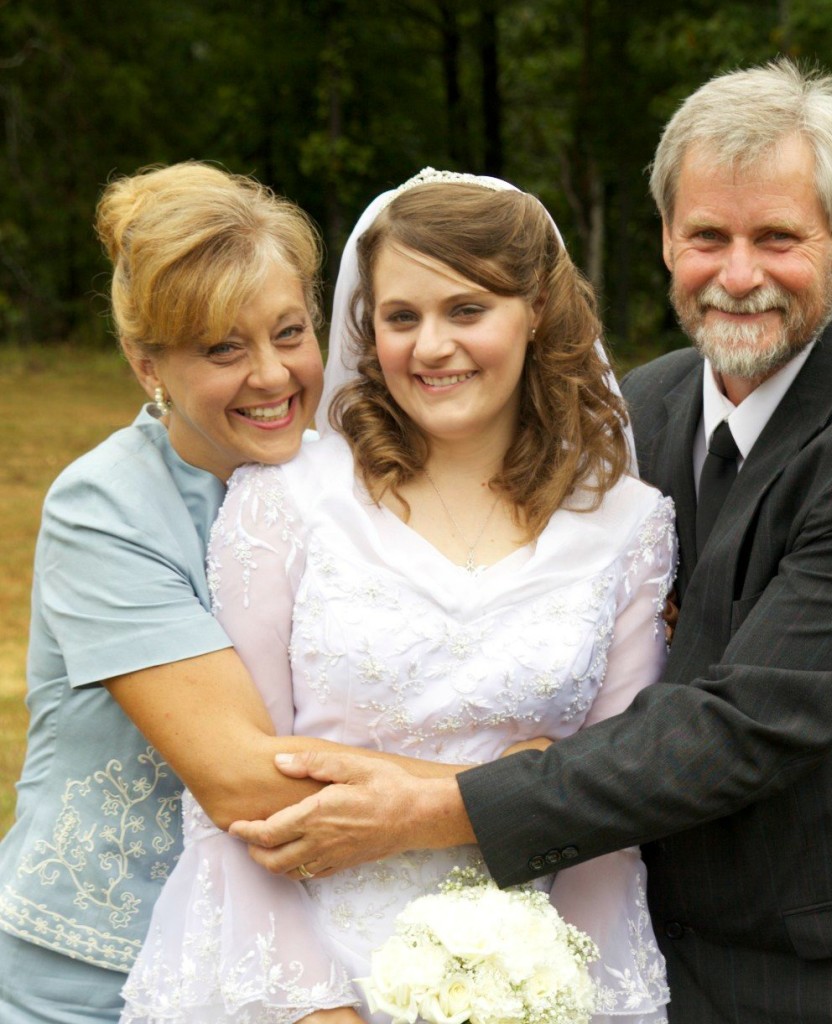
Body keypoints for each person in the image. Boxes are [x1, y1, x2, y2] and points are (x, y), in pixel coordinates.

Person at [231, 61, 832, 1024]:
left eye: (777, 238)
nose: (738, 274)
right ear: (666, 240)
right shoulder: (646, 409)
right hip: (648, 951)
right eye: (707, 237)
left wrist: (430, 808)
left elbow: (739, 727)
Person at [119, 169, 676, 1024]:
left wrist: (562, 999)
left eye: (467, 310)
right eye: (401, 318)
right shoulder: (289, 497)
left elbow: (611, 820)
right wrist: (317, 1010)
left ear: (536, 314)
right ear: (366, 328)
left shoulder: (630, 529)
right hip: (283, 978)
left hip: (528, 988)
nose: (431, 347)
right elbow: (227, 812)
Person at [0, 161, 333, 1023]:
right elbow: (242, 783)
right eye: (223, 348)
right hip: (96, 972)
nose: (271, 376)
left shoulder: (351, 481)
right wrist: (496, 789)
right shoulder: (105, 507)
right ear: (146, 363)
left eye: (290, 332)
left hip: (288, 966)